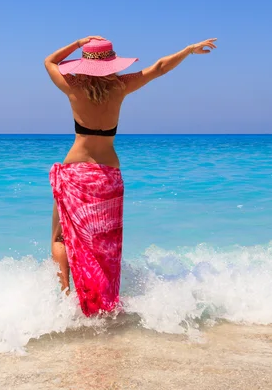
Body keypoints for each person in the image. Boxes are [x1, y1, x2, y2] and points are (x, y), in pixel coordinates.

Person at [45, 35, 217, 316]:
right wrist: (188, 50)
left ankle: (65, 299)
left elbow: (49, 61)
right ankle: (103, 307)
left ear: (85, 64)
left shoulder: (72, 86)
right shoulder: (120, 87)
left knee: (61, 239)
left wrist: (78, 43)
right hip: (108, 175)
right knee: (104, 247)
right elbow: (159, 67)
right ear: (112, 63)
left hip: (76, 172)